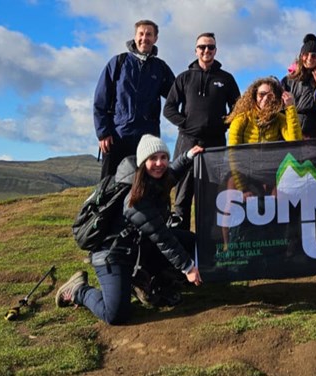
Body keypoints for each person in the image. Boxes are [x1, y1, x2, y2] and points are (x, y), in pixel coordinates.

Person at [55, 135, 203, 325]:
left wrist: (188, 156)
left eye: (163, 157)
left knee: (190, 240)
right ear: (143, 162)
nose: (159, 163)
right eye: (153, 158)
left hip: (136, 246)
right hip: (112, 255)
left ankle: (145, 281)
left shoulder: (151, 178)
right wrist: (188, 267)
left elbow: (172, 173)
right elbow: (161, 236)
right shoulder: (135, 198)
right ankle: (79, 291)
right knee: (116, 315)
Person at [163, 32, 240, 231]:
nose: (207, 50)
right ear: (196, 50)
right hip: (187, 142)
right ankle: (183, 244)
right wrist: (186, 124)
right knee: (182, 197)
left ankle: (206, 245)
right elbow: (169, 108)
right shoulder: (184, 77)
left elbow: (238, 108)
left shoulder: (226, 78)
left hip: (215, 144)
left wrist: (223, 125)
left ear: (216, 50)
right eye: (202, 47)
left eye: (210, 47)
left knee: (211, 197)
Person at [93, 19, 175, 179]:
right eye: (141, 34)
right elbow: (100, 100)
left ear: (155, 38)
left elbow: (177, 95)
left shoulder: (160, 68)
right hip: (117, 136)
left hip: (147, 139)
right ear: (135, 36)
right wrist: (103, 133)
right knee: (111, 185)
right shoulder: (118, 62)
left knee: (144, 185)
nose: (144, 38)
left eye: (149, 34)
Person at [281, 34, 316, 139]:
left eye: (314, 55)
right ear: (301, 56)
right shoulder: (288, 80)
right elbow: (278, 110)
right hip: (289, 136)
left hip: (311, 139)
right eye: (306, 54)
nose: (309, 58)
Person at [226, 77, 302, 145]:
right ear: (254, 96)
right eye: (261, 94)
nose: (265, 99)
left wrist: (290, 107)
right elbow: (233, 151)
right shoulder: (242, 118)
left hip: (273, 157)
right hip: (247, 157)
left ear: (276, 98)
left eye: (270, 96)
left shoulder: (279, 119)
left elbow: (295, 142)